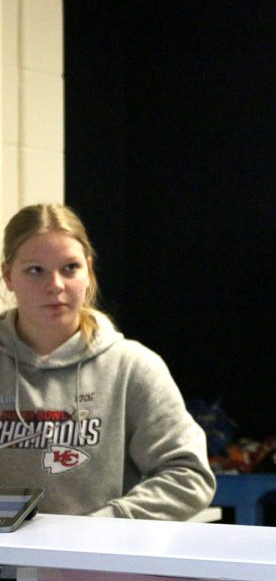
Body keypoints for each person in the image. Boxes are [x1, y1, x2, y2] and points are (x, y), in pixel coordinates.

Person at [0, 203, 215, 520]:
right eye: (36, 270)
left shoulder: (133, 368)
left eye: (70, 268)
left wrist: (107, 525)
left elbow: (188, 474)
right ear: (8, 276)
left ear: (88, 270)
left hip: (92, 564)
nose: (55, 285)